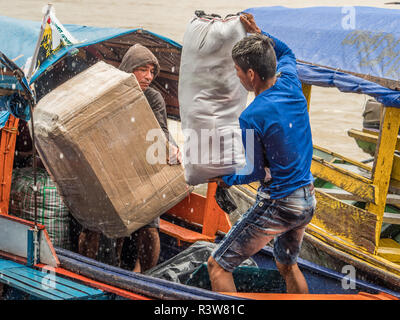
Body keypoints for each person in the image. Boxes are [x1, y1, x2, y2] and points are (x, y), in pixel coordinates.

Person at [207, 13, 316, 293]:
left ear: (251, 75)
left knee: (218, 266)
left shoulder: (251, 116)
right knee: (286, 265)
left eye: (237, 70)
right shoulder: (291, 83)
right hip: (307, 200)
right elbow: (288, 52)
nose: (236, 74)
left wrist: (223, 177)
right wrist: (260, 34)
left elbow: (252, 172)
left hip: (281, 204)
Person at [78, 44, 181, 272]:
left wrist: (171, 147)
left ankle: (145, 277)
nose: (149, 76)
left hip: (139, 171)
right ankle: (84, 270)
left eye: (152, 71)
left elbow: (161, 131)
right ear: (128, 69)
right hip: (109, 170)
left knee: (149, 227)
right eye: (143, 69)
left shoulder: (153, 98)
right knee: (94, 226)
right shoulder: (108, 93)